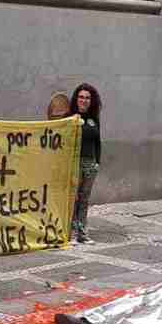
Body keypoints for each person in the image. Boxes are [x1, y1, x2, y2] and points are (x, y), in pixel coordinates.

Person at [69, 83, 102, 243]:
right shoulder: (70, 118)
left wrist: (97, 163)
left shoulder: (94, 119)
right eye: (81, 97)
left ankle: (82, 233)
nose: (84, 100)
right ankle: (71, 234)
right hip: (74, 164)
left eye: (87, 98)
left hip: (90, 164)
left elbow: (98, 142)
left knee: (84, 199)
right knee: (73, 198)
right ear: (76, 99)